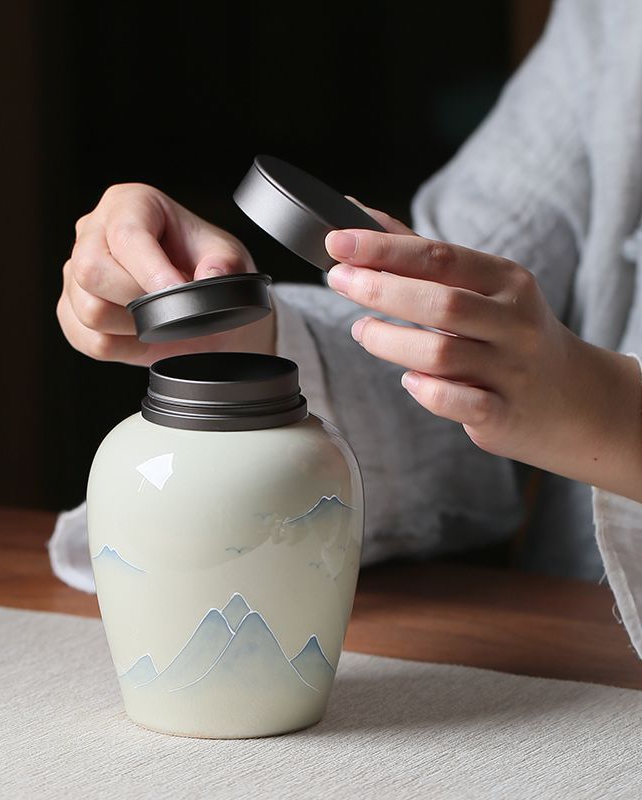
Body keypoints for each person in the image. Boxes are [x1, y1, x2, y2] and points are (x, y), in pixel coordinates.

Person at [53, 0, 642, 656]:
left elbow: (548, 384)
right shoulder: (612, 19)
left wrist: (616, 413)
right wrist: (234, 335)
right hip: (557, 654)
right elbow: (458, 322)